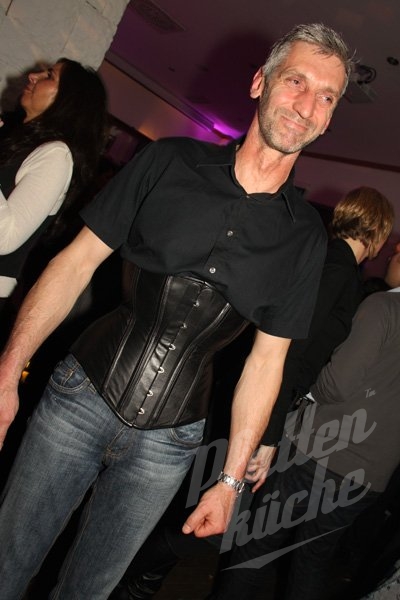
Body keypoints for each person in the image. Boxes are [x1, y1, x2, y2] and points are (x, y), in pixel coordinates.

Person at [0, 23, 352, 599]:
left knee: (90, 590)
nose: (306, 105)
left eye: (326, 96)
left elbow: (268, 362)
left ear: (330, 117)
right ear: (260, 83)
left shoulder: (306, 238)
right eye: (296, 81)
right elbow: (75, 263)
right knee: (7, 560)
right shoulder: (168, 162)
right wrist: (8, 371)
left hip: (169, 446)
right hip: (78, 400)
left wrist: (230, 482)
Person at [109, 185, 394, 600]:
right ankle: (127, 575)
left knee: (217, 516)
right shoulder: (336, 268)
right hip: (266, 409)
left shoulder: (334, 264)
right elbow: (290, 352)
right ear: (377, 231)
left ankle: (137, 581)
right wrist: (270, 435)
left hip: (268, 405)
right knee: (219, 521)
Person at [209, 249, 400, 600]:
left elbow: (337, 384)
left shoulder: (383, 307)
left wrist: (308, 391)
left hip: (317, 454)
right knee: (312, 563)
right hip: (372, 477)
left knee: (255, 551)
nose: (391, 257)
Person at [0, 58, 108, 319]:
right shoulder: (20, 140)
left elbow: (6, 238)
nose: (33, 76)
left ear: (69, 101)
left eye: (49, 76)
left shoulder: (55, 155)